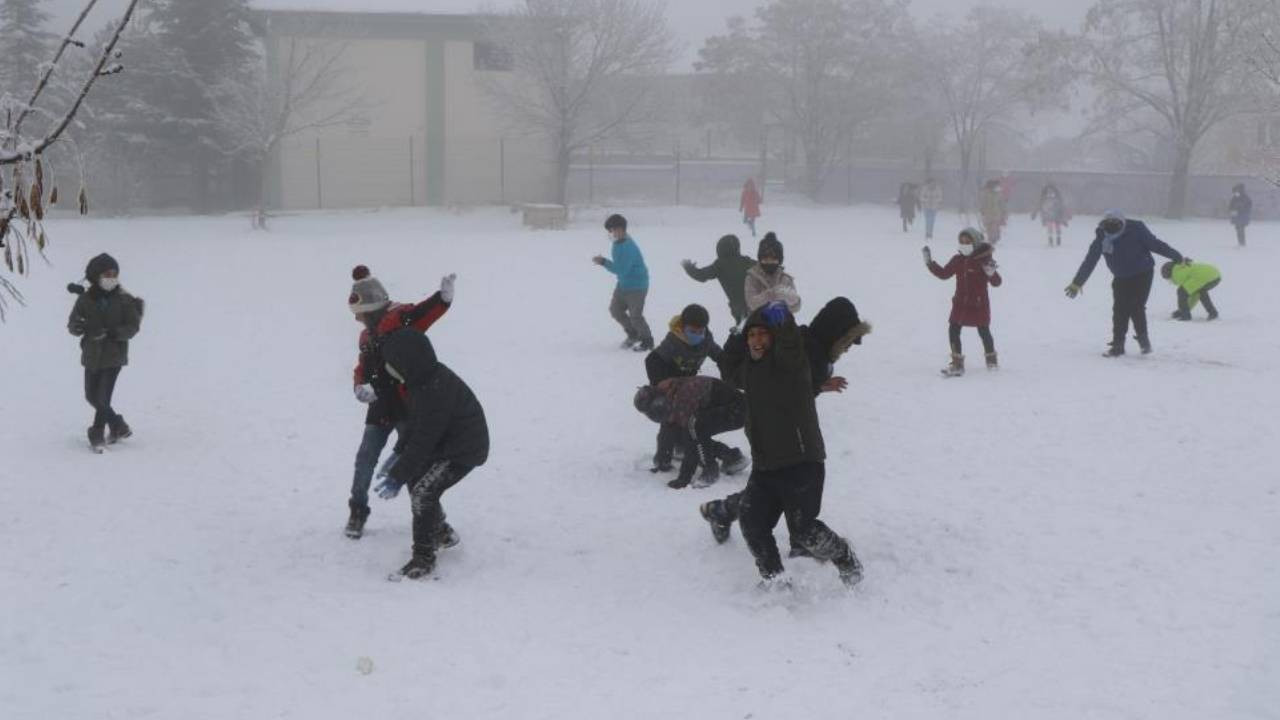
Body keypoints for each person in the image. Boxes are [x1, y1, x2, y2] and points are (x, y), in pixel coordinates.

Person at [701, 302, 863, 588]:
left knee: (803, 531)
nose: (757, 340)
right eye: (752, 336)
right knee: (752, 523)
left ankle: (844, 556)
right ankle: (775, 580)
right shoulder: (749, 371)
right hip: (766, 464)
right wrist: (739, 333)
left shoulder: (790, 362)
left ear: (774, 338)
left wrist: (783, 319)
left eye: (763, 334)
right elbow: (729, 367)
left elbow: (790, 343)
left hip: (801, 461)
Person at [344, 265, 455, 540]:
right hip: (380, 407)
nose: (357, 321)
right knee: (365, 459)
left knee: (414, 465)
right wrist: (359, 385)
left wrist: (441, 299)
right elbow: (363, 366)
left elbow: (423, 312)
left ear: (372, 308)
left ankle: (436, 523)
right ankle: (358, 510)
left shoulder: (401, 318)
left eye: (360, 315)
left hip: (408, 406)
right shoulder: (366, 336)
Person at [372, 330, 489, 580]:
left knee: (423, 493)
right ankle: (441, 532)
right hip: (445, 444)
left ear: (407, 361)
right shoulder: (421, 381)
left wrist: (398, 475)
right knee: (418, 481)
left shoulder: (435, 388)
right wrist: (397, 454)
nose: (389, 369)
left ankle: (423, 559)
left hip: (464, 449)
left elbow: (424, 439)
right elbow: (415, 424)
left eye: (392, 364)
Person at [1066, 211, 1184, 357]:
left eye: (1115, 229)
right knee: (1119, 309)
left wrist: (1177, 257)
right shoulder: (1102, 237)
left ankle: (1143, 340)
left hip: (1143, 272)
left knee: (1136, 306)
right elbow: (1090, 261)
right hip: (1121, 276)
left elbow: (1156, 245)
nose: (1112, 233)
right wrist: (1077, 283)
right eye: (1108, 229)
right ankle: (1118, 345)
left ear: (1122, 224)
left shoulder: (1136, 229)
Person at [66, 253, 143, 453]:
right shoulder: (85, 299)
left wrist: (112, 333)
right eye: (107, 274)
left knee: (102, 397)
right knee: (91, 395)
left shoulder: (125, 300)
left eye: (114, 273)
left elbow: (133, 327)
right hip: (91, 354)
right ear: (95, 276)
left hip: (114, 355)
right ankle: (118, 425)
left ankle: (97, 433)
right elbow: (73, 323)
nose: (111, 277)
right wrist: (78, 327)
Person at [644, 304, 729, 474]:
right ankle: (663, 459)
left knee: (689, 426)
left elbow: (719, 356)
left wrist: (730, 369)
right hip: (671, 388)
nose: (697, 335)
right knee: (669, 424)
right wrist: (661, 382)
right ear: (683, 327)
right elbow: (651, 360)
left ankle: (726, 455)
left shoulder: (706, 340)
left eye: (700, 331)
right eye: (692, 331)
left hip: (690, 390)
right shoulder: (673, 342)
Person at [633, 377, 749, 489]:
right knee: (684, 429)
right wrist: (662, 460)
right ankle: (732, 457)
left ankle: (710, 470)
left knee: (694, 427)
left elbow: (691, 437)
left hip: (739, 411)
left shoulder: (683, 396)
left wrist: (684, 478)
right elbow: (668, 427)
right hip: (725, 407)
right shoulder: (669, 393)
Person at [924, 228, 1003, 376]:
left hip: (979, 304)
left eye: (968, 242)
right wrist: (930, 263)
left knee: (983, 331)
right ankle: (957, 363)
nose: (964, 244)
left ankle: (991, 361)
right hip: (960, 303)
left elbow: (997, 282)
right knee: (953, 329)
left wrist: (991, 274)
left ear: (975, 243)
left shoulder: (984, 260)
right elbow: (944, 274)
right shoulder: (958, 260)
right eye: (962, 242)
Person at [593, 213, 653, 351]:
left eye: (612, 230)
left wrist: (603, 262)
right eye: (609, 231)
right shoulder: (617, 243)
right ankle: (633, 334)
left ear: (620, 229)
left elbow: (622, 270)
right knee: (615, 310)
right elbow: (621, 269)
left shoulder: (628, 247)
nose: (611, 233)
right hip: (623, 284)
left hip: (637, 286)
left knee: (635, 316)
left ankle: (647, 340)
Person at [681, 235, 757, 326]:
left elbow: (701, 275)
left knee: (746, 332)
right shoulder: (747, 261)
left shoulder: (720, 265)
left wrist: (689, 268)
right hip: (759, 304)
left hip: (740, 309)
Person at [744, 233, 801, 314]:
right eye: (765, 259)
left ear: (779, 260)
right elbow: (752, 304)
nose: (769, 262)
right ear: (760, 259)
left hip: (782, 323)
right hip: (758, 322)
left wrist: (792, 300)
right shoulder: (752, 277)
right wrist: (772, 293)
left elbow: (795, 308)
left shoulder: (785, 279)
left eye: (773, 259)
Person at [979, 179, 1008, 244]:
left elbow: (1002, 204)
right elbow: (983, 202)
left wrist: (1004, 212)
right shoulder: (985, 194)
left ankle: (994, 238)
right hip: (987, 214)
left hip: (996, 214)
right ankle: (991, 238)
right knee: (988, 227)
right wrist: (982, 210)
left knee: (994, 227)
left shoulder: (998, 194)